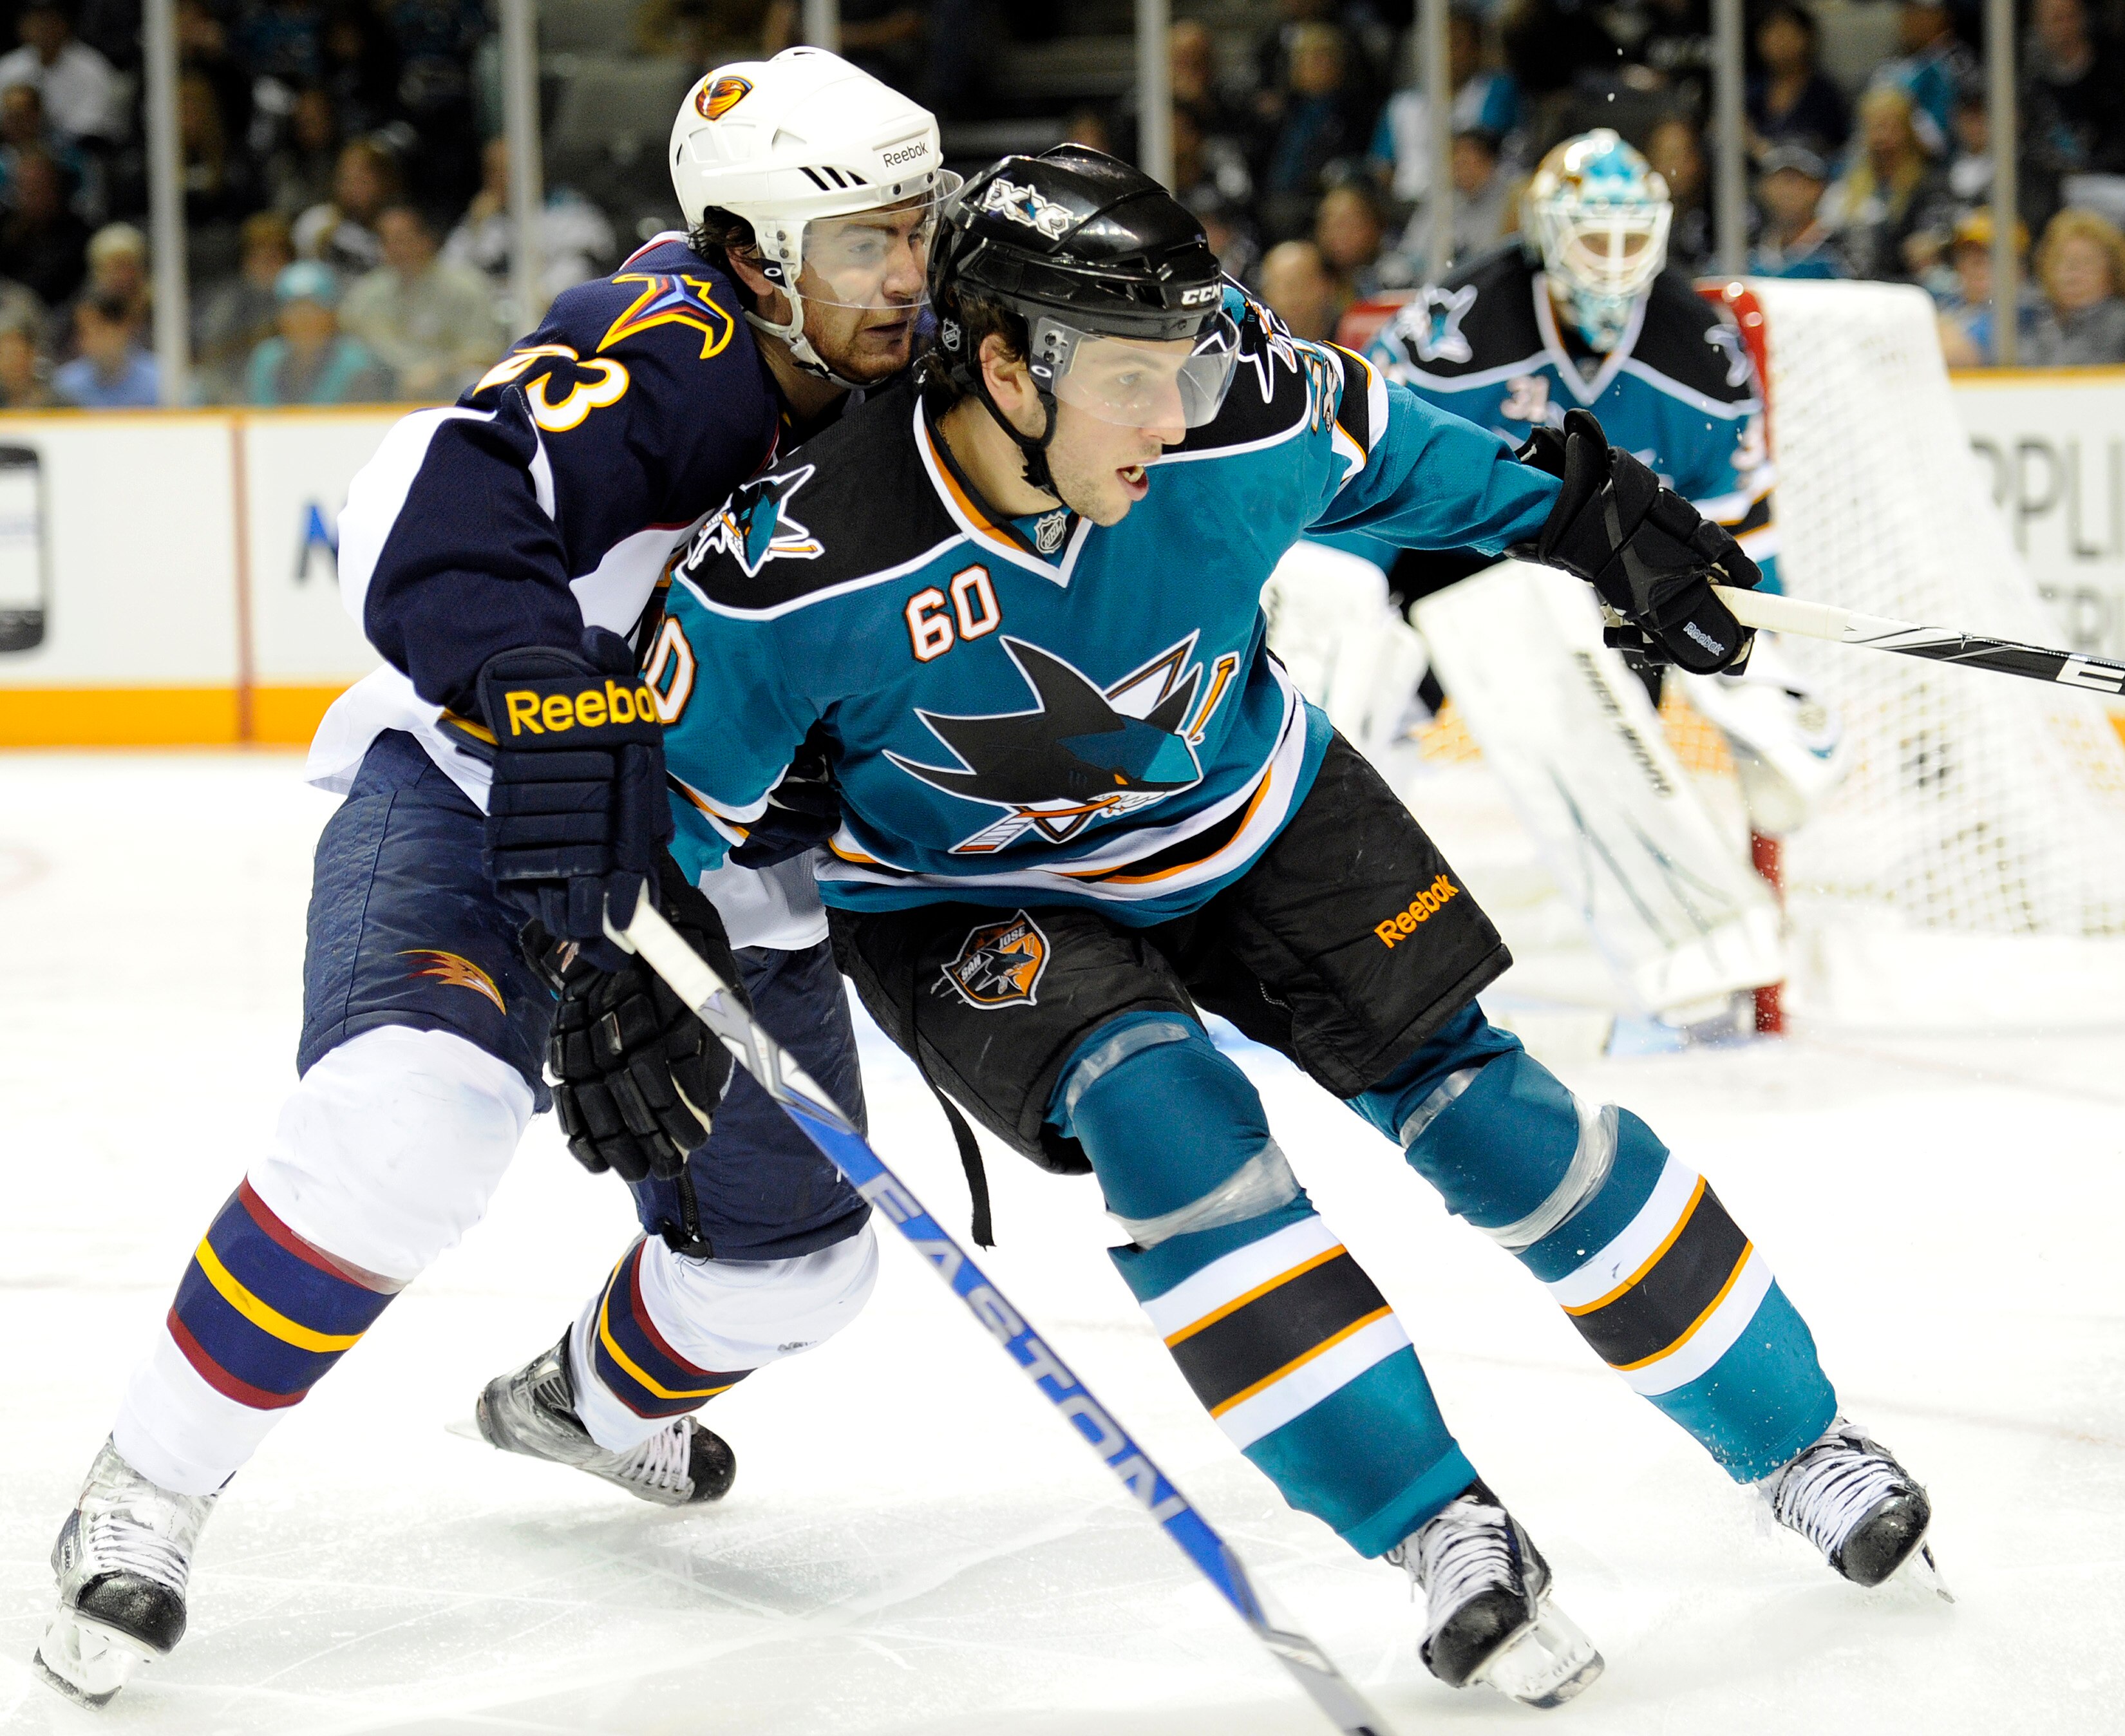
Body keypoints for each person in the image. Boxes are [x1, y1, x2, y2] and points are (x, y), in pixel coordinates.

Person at [649, 142, 1939, 1710]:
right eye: (1131, 378)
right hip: (967, 896)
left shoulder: (1245, 397)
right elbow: (663, 825)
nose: (1178, 412)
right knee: (1159, 1108)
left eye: (1186, 360)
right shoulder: (794, 566)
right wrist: (612, 961)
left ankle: (1799, 1439)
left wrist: (1592, 520)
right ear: (1001, 363)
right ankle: (1435, 1526)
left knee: (1490, 1113)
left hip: (1253, 807)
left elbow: (1424, 467)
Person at [32, 48, 952, 1709]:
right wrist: (538, 678)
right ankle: (148, 1488)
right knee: (411, 1124)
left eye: (917, 230)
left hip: (724, 870)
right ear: (755, 258)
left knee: (806, 1267)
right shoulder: (667, 355)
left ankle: (589, 1410)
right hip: (484, 800)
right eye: (862, 246)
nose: (906, 276)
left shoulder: (939, 376)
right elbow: (428, 489)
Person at [1370, 129, 1844, 834]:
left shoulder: (1705, 354)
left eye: (1633, 239)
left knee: (1707, 662)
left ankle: (1648, 800)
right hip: (1459, 559)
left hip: (1611, 578)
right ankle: (1361, 821)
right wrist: (1350, 587)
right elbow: (1371, 464)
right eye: (1595, 239)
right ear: (1547, 234)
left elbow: (1738, 537)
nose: (1617, 264)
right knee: (1364, 671)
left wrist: (1756, 653)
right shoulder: (1454, 329)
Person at [339, 203, 506, 399]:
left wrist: (438, 370)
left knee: (472, 378)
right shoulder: (368, 292)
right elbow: (346, 336)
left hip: (447, 387)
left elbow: (486, 350)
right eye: (387, 241)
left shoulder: (465, 288)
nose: (395, 249)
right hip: (386, 389)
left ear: (426, 240)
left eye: (402, 240)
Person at [442, 136, 615, 317]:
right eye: (492, 171)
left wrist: (536, 298)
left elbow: (580, 268)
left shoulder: (568, 209)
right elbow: (449, 273)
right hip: (495, 324)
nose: (499, 180)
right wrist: (474, 227)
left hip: (558, 322)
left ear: (534, 170)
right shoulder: (484, 218)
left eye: (507, 170)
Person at [1821, 84, 1950, 282]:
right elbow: (1828, 238)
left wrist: (1931, 243)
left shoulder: (1928, 184)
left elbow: (1933, 237)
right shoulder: (1847, 184)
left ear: (1907, 131)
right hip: (1854, 286)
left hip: (1904, 283)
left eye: (1889, 126)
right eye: (1874, 126)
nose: (1881, 136)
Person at [241, 259, 392, 404]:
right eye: (293, 309)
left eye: (312, 309)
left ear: (332, 314)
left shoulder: (356, 364)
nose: (301, 319)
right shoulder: (265, 359)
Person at [196, 210, 297, 401]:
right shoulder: (228, 302)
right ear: (245, 261)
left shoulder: (303, 298)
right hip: (235, 393)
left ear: (288, 259)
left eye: (273, 257)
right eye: (257, 257)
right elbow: (209, 355)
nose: (264, 265)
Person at [0, 0, 120, 147]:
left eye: (49, 21)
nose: (43, 28)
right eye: (36, 21)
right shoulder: (9, 66)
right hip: (19, 153)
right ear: (22, 27)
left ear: (64, 24)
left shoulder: (92, 66)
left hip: (76, 152)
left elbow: (94, 125)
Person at [1933, 207, 2038, 364]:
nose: (1980, 269)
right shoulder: (1949, 304)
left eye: (1992, 260)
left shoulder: (2026, 311)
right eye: (1972, 259)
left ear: (2019, 269)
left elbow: (1963, 355)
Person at [1745, 2, 1849, 160]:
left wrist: (1761, 148)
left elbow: (1832, 149)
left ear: (1807, 37)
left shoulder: (1825, 95)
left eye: (1785, 32)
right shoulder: (1750, 90)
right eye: (1771, 33)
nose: (1779, 42)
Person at [2025, 207, 2125, 364]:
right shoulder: (2031, 319)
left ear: (2111, 272)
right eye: (2064, 262)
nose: (2073, 275)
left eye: (2086, 262)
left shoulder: (2120, 327)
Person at [294, 135, 399, 275]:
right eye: (346, 179)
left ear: (384, 183)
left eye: (362, 181)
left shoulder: (399, 231)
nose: (352, 189)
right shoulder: (315, 223)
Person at [0, 148, 88, 307]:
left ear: (56, 188)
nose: (29, 195)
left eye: (37, 187)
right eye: (24, 188)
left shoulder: (77, 234)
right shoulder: (8, 224)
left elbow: (47, 286)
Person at [1748, 143, 1846, 278]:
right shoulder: (1748, 248)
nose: (1786, 192)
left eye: (1793, 181)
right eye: (1776, 181)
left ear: (1819, 189)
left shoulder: (1842, 249)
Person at [52, 292, 156, 406]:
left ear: (124, 328)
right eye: (84, 332)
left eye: (99, 330)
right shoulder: (64, 386)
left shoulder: (161, 382)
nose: (91, 340)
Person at [1259, 234, 1343, 338]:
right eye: (1281, 287)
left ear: (1328, 285)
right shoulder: (1256, 344)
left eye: (1300, 283)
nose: (1292, 296)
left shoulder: (1352, 338)